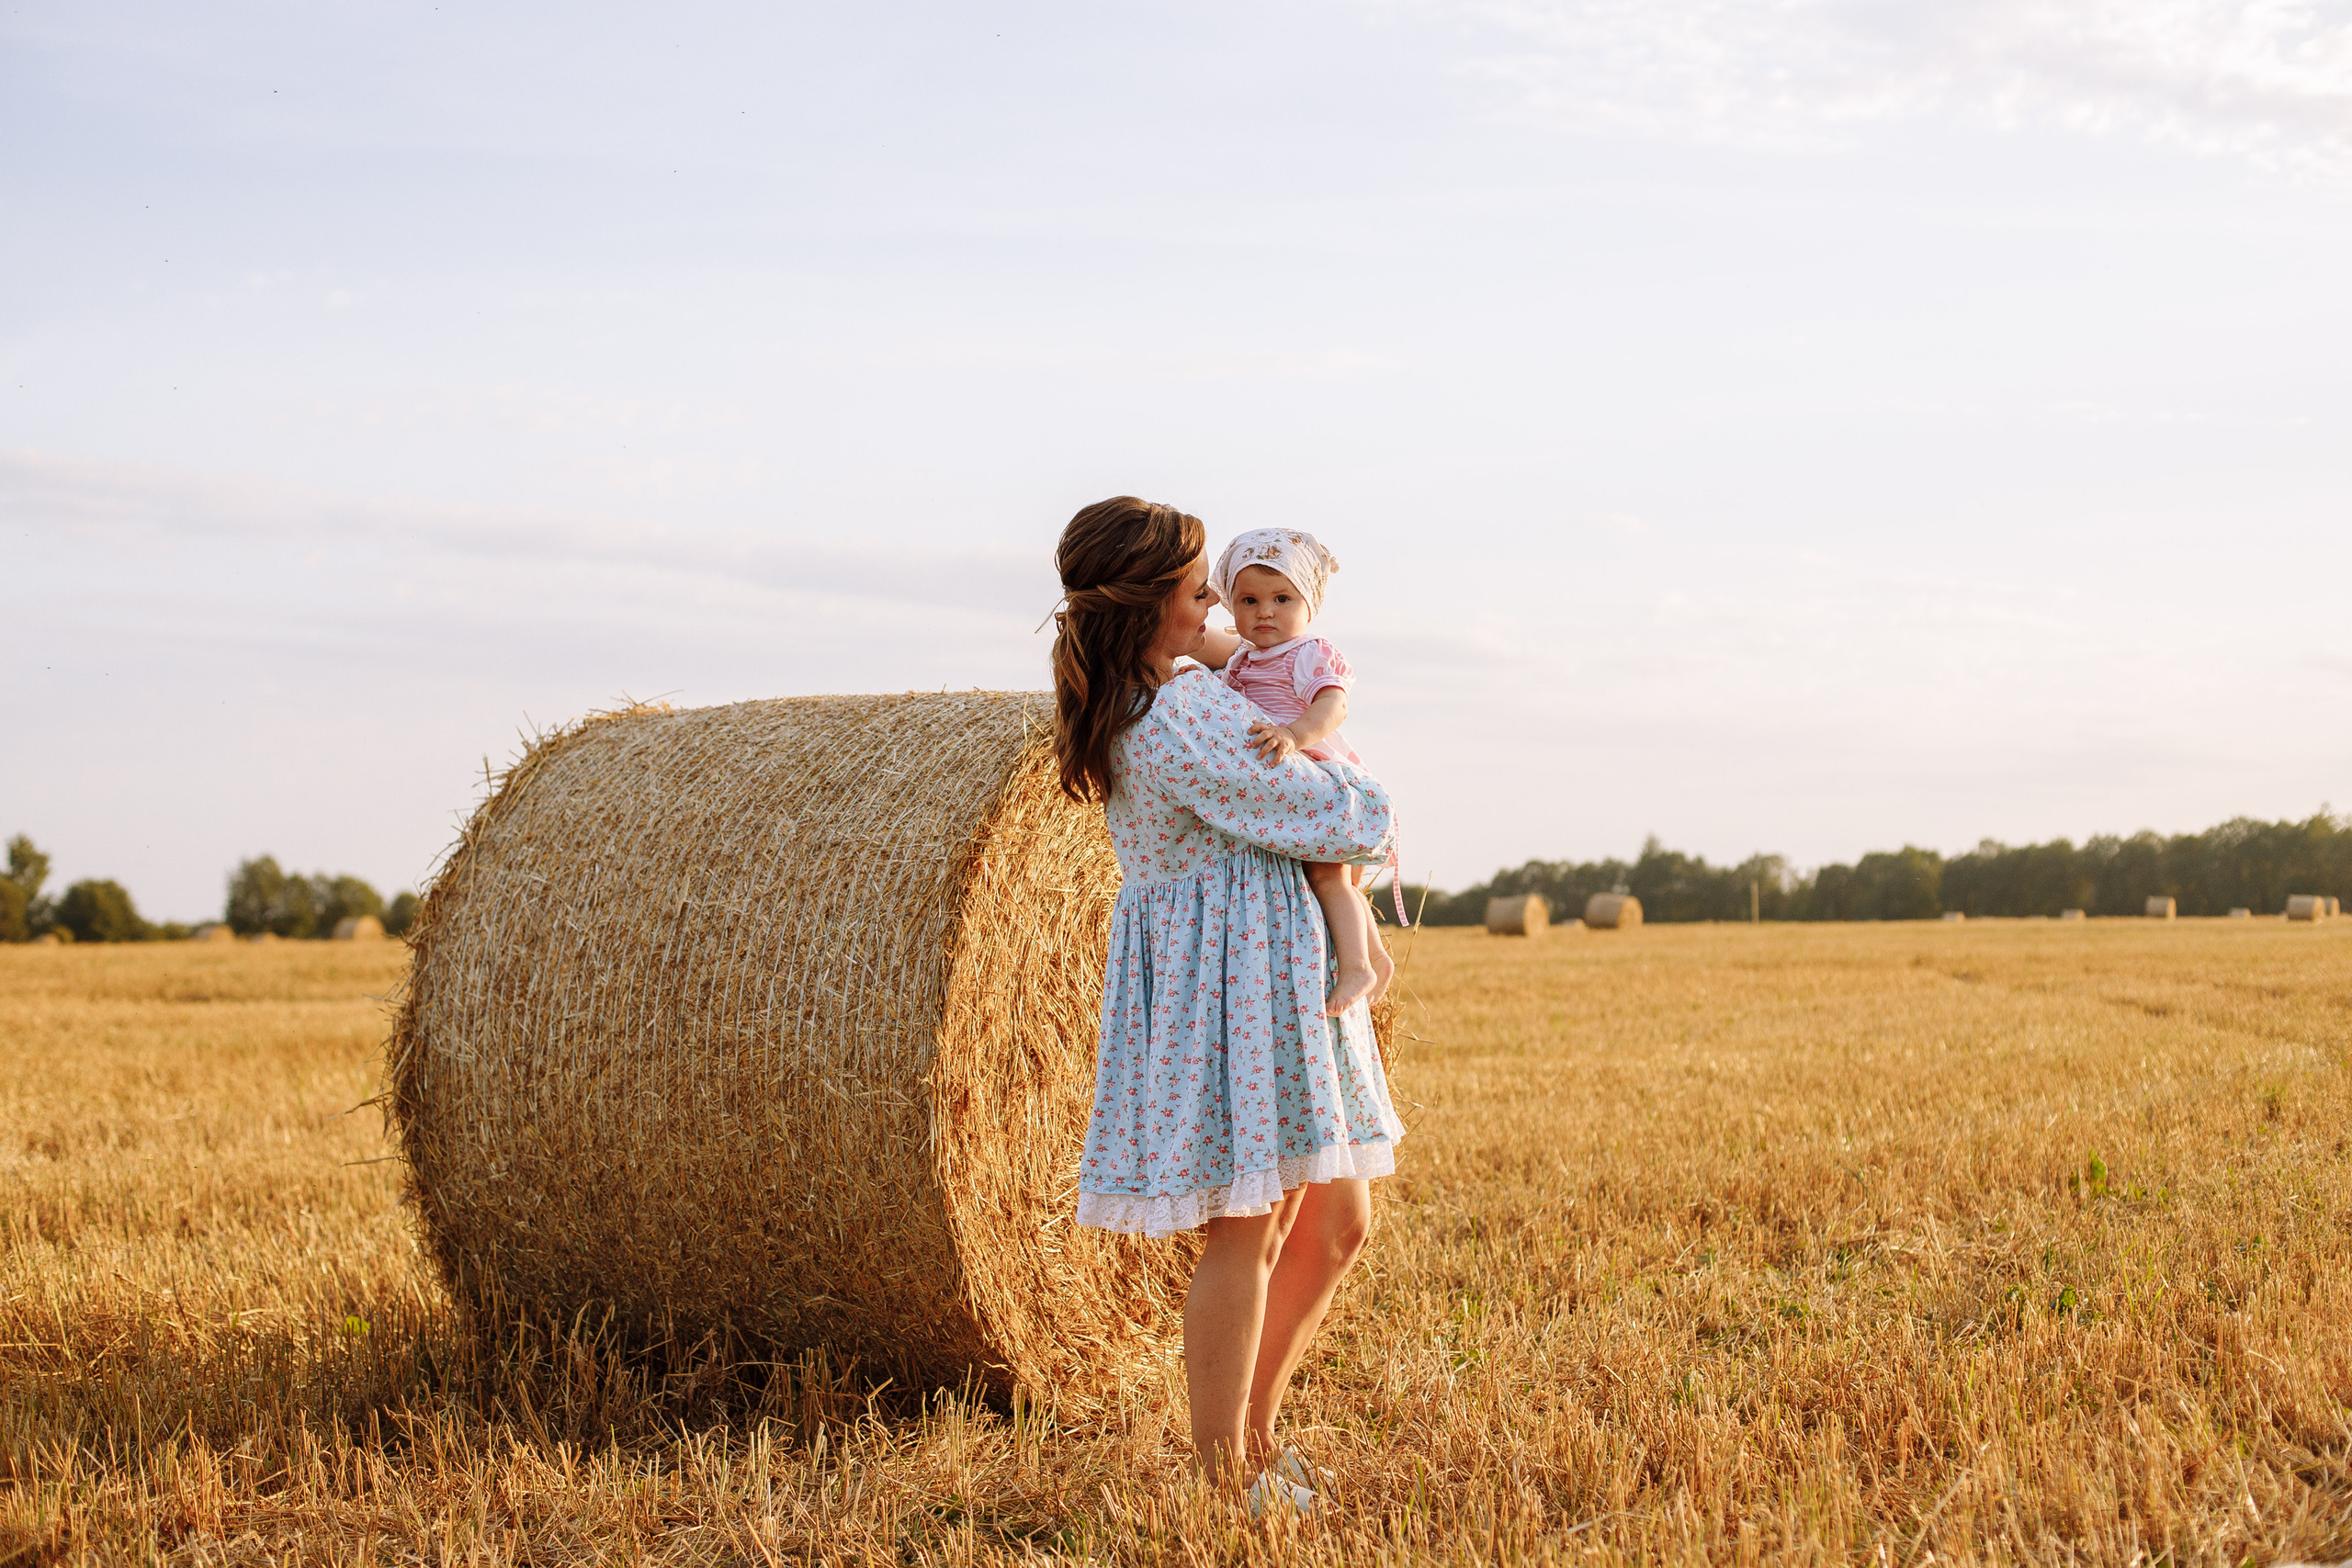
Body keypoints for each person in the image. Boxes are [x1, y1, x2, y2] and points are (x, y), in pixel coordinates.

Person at [1049, 495, 1406, 1516]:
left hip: (1265, 965)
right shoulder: (1179, 711)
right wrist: (1363, 793)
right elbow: (1343, 808)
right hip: (1232, 981)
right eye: (1201, 590)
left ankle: (1253, 1440)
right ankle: (1224, 1474)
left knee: (1330, 1214)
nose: (1221, 606)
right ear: (1156, 605)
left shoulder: (1170, 695)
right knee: (1248, 1224)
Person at [1191, 527, 1396, 1017]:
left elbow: (1334, 706)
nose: (1265, 611)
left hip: (1319, 774)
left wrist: (1294, 734)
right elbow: (1201, 644)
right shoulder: (1245, 655)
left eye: (1282, 598)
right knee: (1335, 880)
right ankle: (1378, 958)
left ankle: (1357, 968)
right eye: (1249, 600)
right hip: (1285, 777)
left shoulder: (1308, 652)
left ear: (1310, 604)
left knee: (1328, 879)